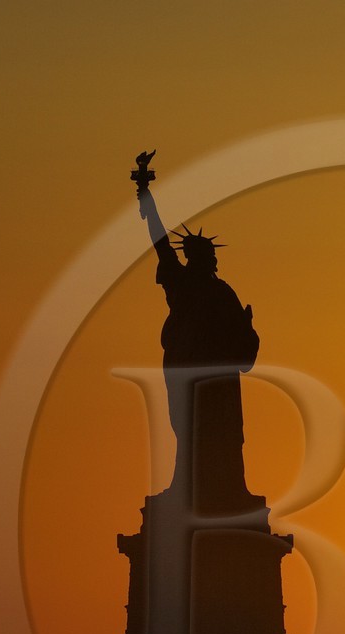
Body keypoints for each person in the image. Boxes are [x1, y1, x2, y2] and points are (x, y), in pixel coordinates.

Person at [135, 155, 260, 512]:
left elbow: (241, 340)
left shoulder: (223, 292)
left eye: (208, 255)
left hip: (219, 376)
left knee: (226, 432)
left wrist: (248, 330)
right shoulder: (181, 282)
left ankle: (230, 488)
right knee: (189, 430)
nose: (209, 260)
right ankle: (186, 486)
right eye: (200, 254)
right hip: (188, 368)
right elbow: (159, 240)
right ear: (192, 257)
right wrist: (145, 196)